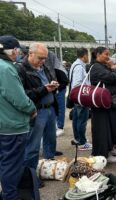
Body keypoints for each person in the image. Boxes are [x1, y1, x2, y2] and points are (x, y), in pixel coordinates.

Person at [0, 35, 37, 200]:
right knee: (11, 167)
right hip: (11, 126)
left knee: (4, 164)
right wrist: (32, 109)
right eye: (17, 50)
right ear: (12, 50)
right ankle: (10, 196)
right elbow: (19, 99)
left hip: (2, 123)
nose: (18, 53)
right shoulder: (6, 68)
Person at [17, 43, 59, 183]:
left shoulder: (44, 66)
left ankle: (47, 166)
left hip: (49, 108)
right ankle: (30, 178)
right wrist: (44, 89)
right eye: (40, 58)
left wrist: (53, 84)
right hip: (36, 110)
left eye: (45, 58)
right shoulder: (21, 69)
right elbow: (22, 95)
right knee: (32, 146)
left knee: (50, 139)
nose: (43, 61)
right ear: (30, 54)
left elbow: (48, 80)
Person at [89, 47, 116, 163]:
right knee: (102, 129)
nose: (108, 57)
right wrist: (114, 69)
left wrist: (115, 74)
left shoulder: (103, 66)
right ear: (98, 54)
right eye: (106, 54)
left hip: (108, 103)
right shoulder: (96, 67)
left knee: (111, 126)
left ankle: (110, 149)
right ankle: (102, 154)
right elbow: (112, 77)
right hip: (100, 104)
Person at [70, 48, 92, 151]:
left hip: (76, 96)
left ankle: (77, 139)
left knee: (76, 118)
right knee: (82, 119)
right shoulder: (79, 67)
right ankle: (82, 143)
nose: (88, 57)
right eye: (87, 55)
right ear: (84, 56)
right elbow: (77, 83)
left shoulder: (75, 64)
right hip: (81, 97)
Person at [45, 51, 68, 137]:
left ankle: (60, 126)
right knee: (54, 109)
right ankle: (56, 125)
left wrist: (57, 89)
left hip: (59, 90)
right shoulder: (46, 67)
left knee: (60, 108)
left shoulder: (58, 68)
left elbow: (65, 81)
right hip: (52, 90)